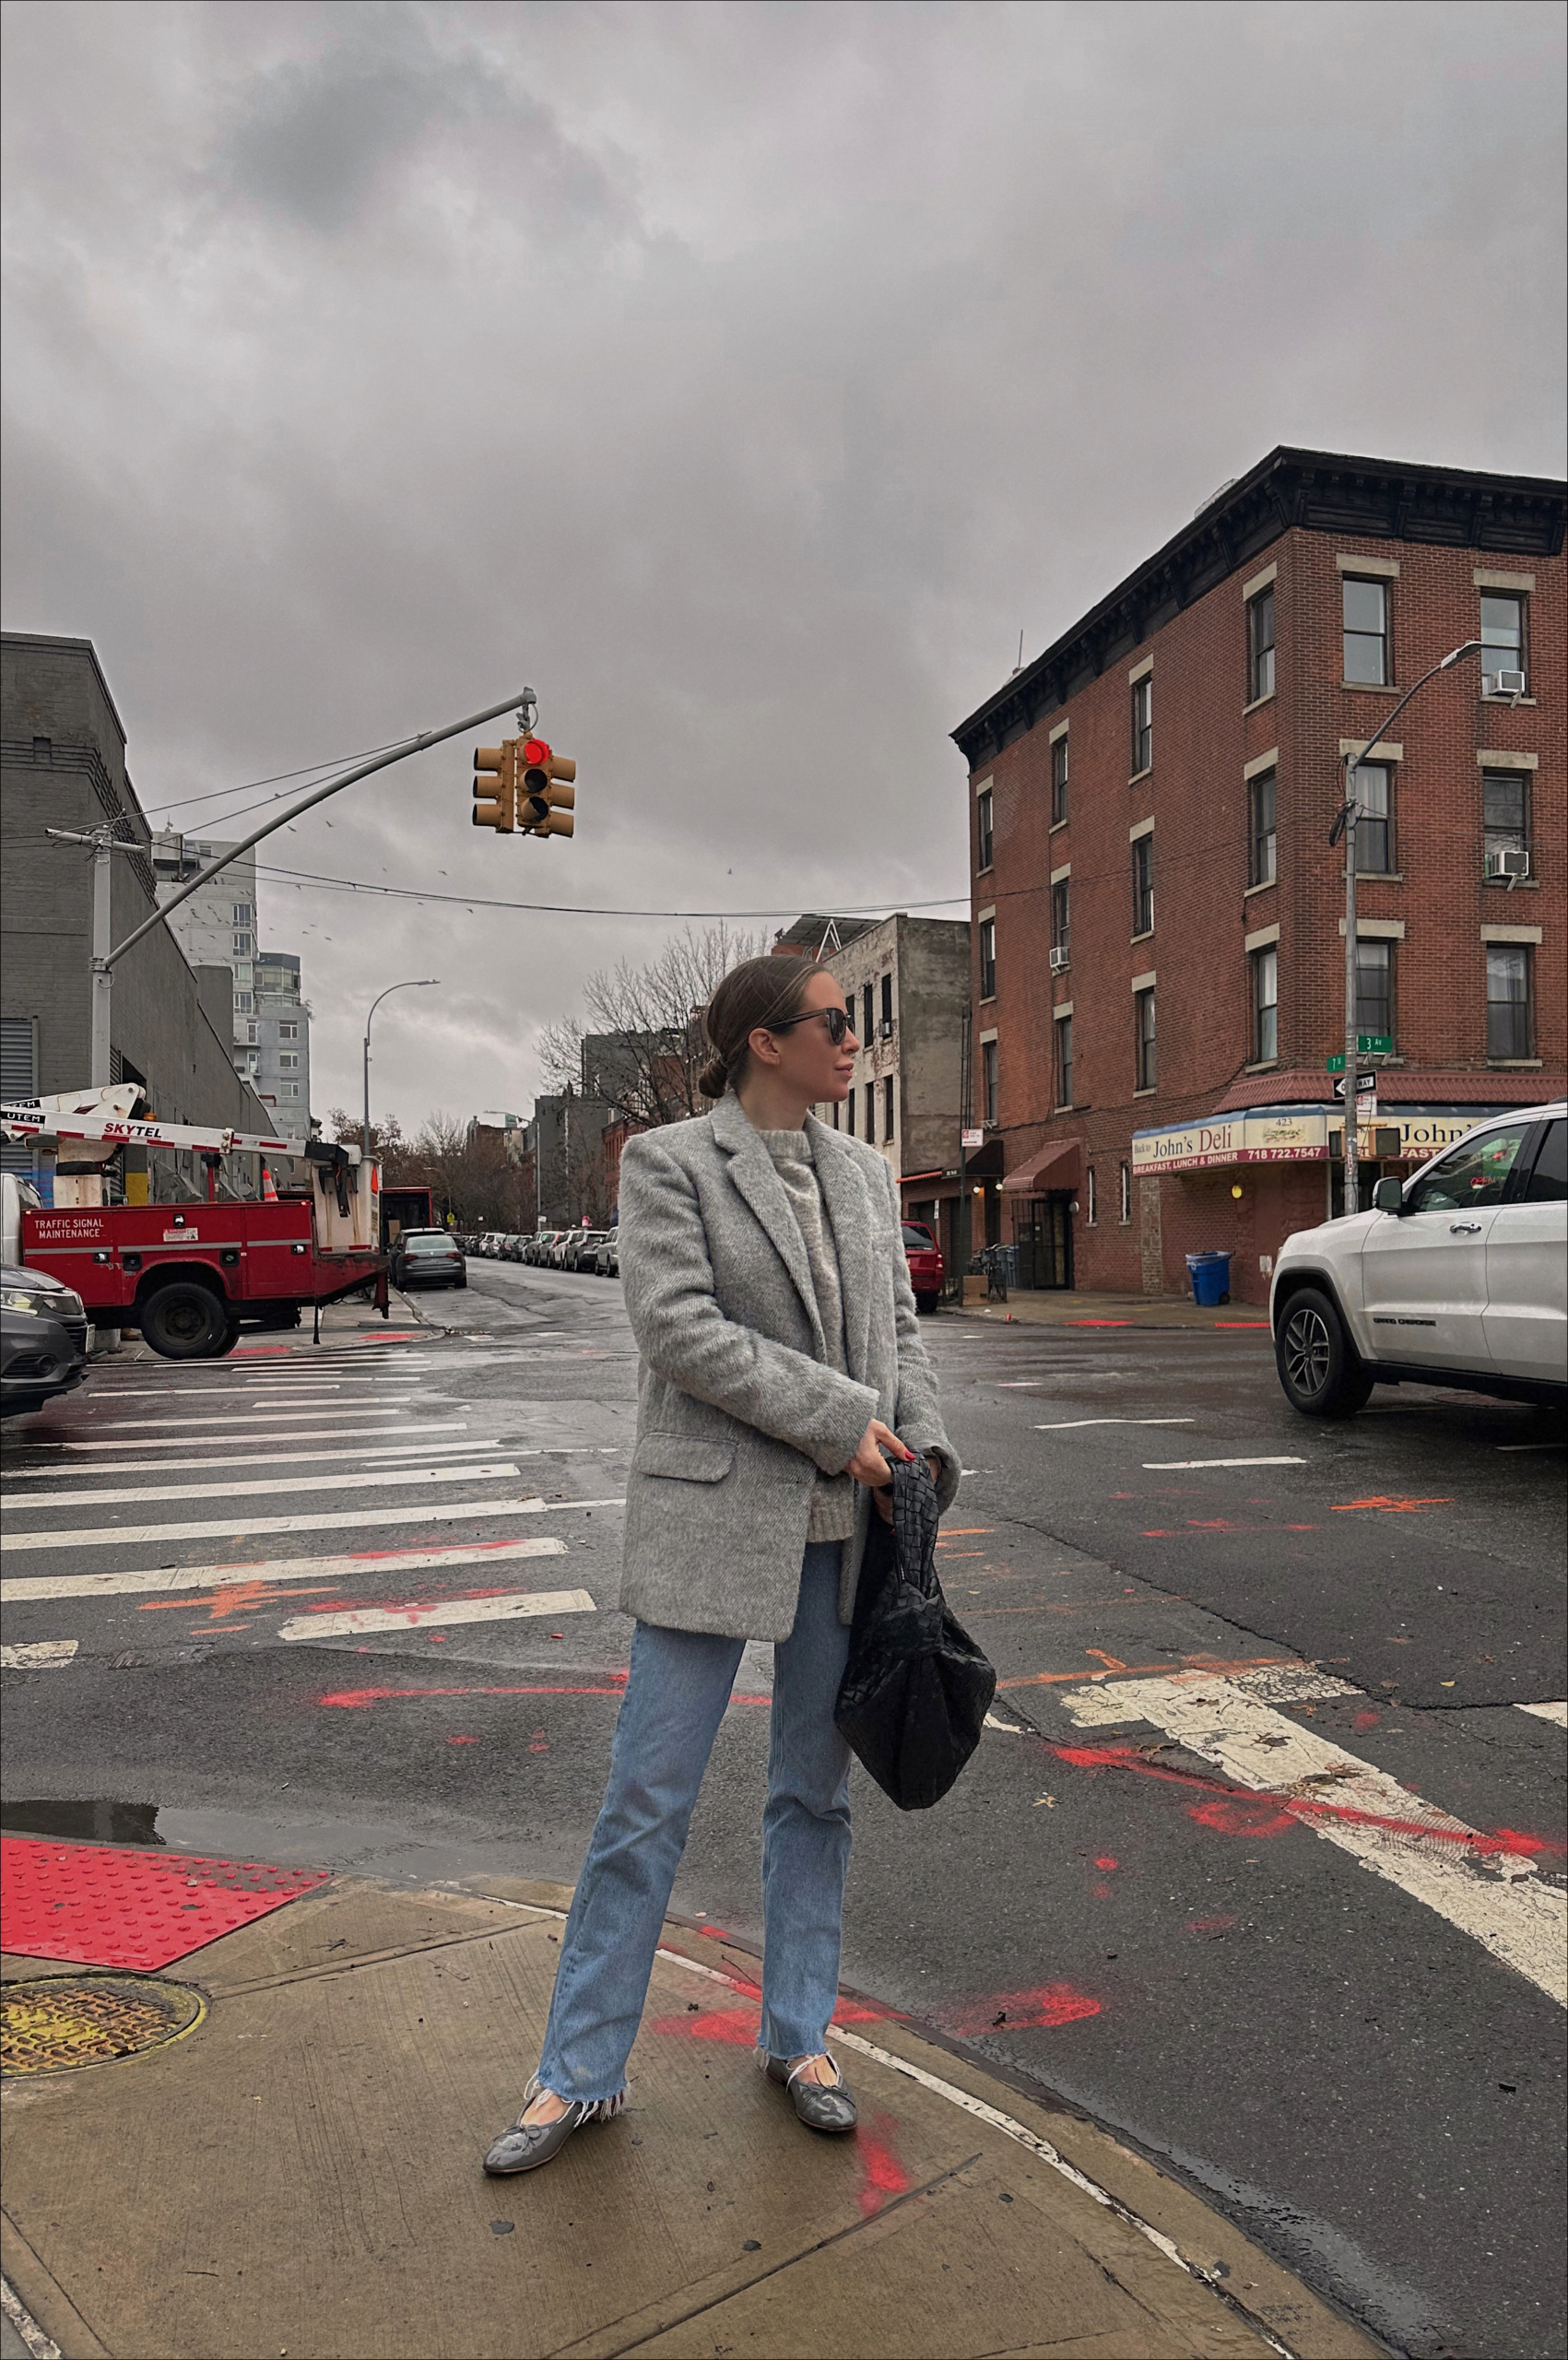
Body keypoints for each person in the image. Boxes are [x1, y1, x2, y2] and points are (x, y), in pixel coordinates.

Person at [483, 953, 959, 2175]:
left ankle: (800, 2037)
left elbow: (901, 1331)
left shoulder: (858, 1172)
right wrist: (833, 1421)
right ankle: (576, 2073)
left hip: (848, 1536)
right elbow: (678, 1329)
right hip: (711, 1516)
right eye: (834, 1022)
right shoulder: (669, 1162)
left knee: (814, 1797)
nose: (853, 1040)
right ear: (762, 1039)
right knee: (645, 1800)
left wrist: (925, 1452)